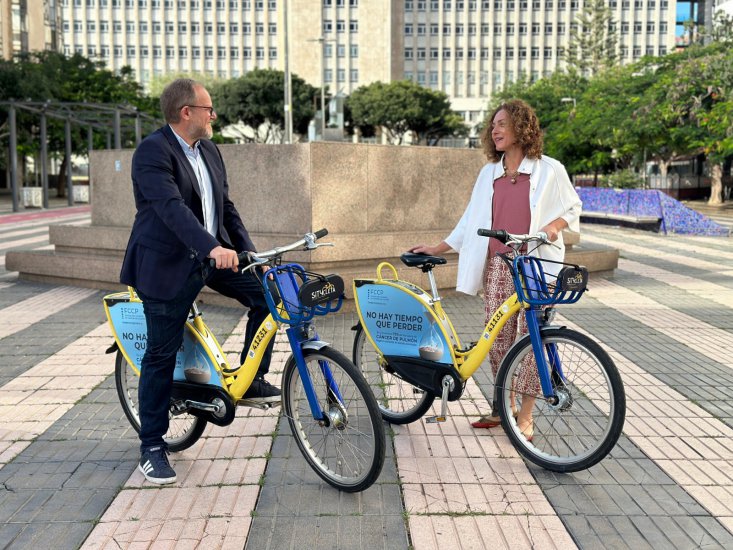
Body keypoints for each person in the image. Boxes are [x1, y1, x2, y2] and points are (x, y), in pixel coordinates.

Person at [120, 78, 280, 485]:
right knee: (160, 353)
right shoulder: (152, 152)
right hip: (165, 265)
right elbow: (171, 209)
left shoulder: (208, 149)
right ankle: (152, 446)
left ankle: (253, 377)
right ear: (185, 112)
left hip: (211, 257)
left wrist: (252, 255)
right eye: (208, 109)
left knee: (268, 297)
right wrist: (211, 247)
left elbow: (226, 208)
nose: (213, 115)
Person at [410, 99, 581, 441]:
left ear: (522, 127)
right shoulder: (489, 174)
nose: (495, 129)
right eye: (493, 125)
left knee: (532, 341)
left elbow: (573, 207)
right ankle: (506, 406)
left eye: (503, 123)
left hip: (536, 266)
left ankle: (527, 416)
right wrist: (438, 247)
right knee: (499, 341)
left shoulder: (549, 169)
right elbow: (469, 221)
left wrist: (553, 226)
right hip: (499, 267)